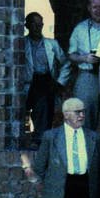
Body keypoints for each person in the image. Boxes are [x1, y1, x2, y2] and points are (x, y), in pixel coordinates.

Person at [22, 12, 71, 148]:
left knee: (44, 107)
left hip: (46, 81)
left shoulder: (51, 44)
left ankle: (38, 141)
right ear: (27, 25)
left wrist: (60, 81)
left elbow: (66, 63)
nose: (37, 27)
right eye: (33, 24)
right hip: (27, 83)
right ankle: (28, 140)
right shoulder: (20, 43)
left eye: (40, 24)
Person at [69, 0, 100, 130]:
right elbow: (71, 55)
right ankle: (87, 149)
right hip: (87, 75)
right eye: (95, 7)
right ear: (89, 8)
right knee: (84, 116)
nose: (98, 10)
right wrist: (84, 58)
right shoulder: (80, 29)